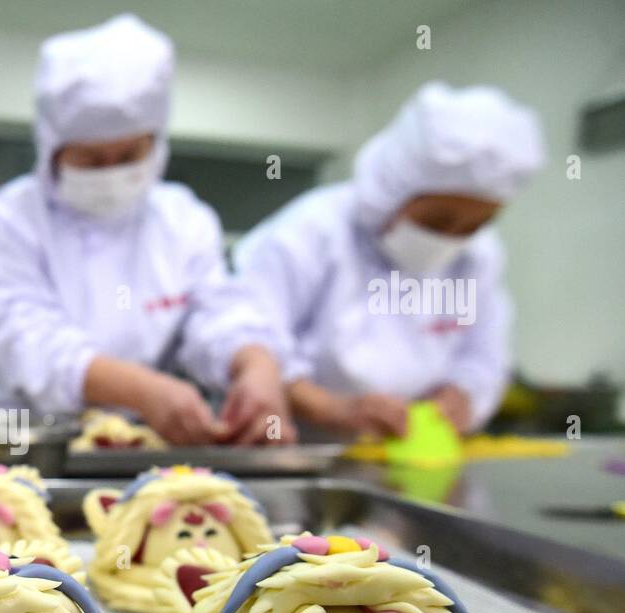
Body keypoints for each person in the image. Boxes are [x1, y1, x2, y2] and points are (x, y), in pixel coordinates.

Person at [0, 14, 292, 445]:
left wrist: (255, 365)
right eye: (90, 158)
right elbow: (26, 338)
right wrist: (142, 391)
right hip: (23, 440)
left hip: (139, 444)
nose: (112, 172)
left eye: (129, 155)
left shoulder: (182, 218)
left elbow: (216, 313)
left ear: (156, 145)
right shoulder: (13, 216)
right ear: (52, 150)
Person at [220, 82, 544, 438]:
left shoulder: (478, 254)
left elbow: (483, 357)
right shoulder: (314, 230)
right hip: (296, 444)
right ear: (391, 191)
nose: (453, 237)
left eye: (478, 223)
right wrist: (329, 407)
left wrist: (462, 395)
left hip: (409, 452)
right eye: (438, 221)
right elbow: (245, 336)